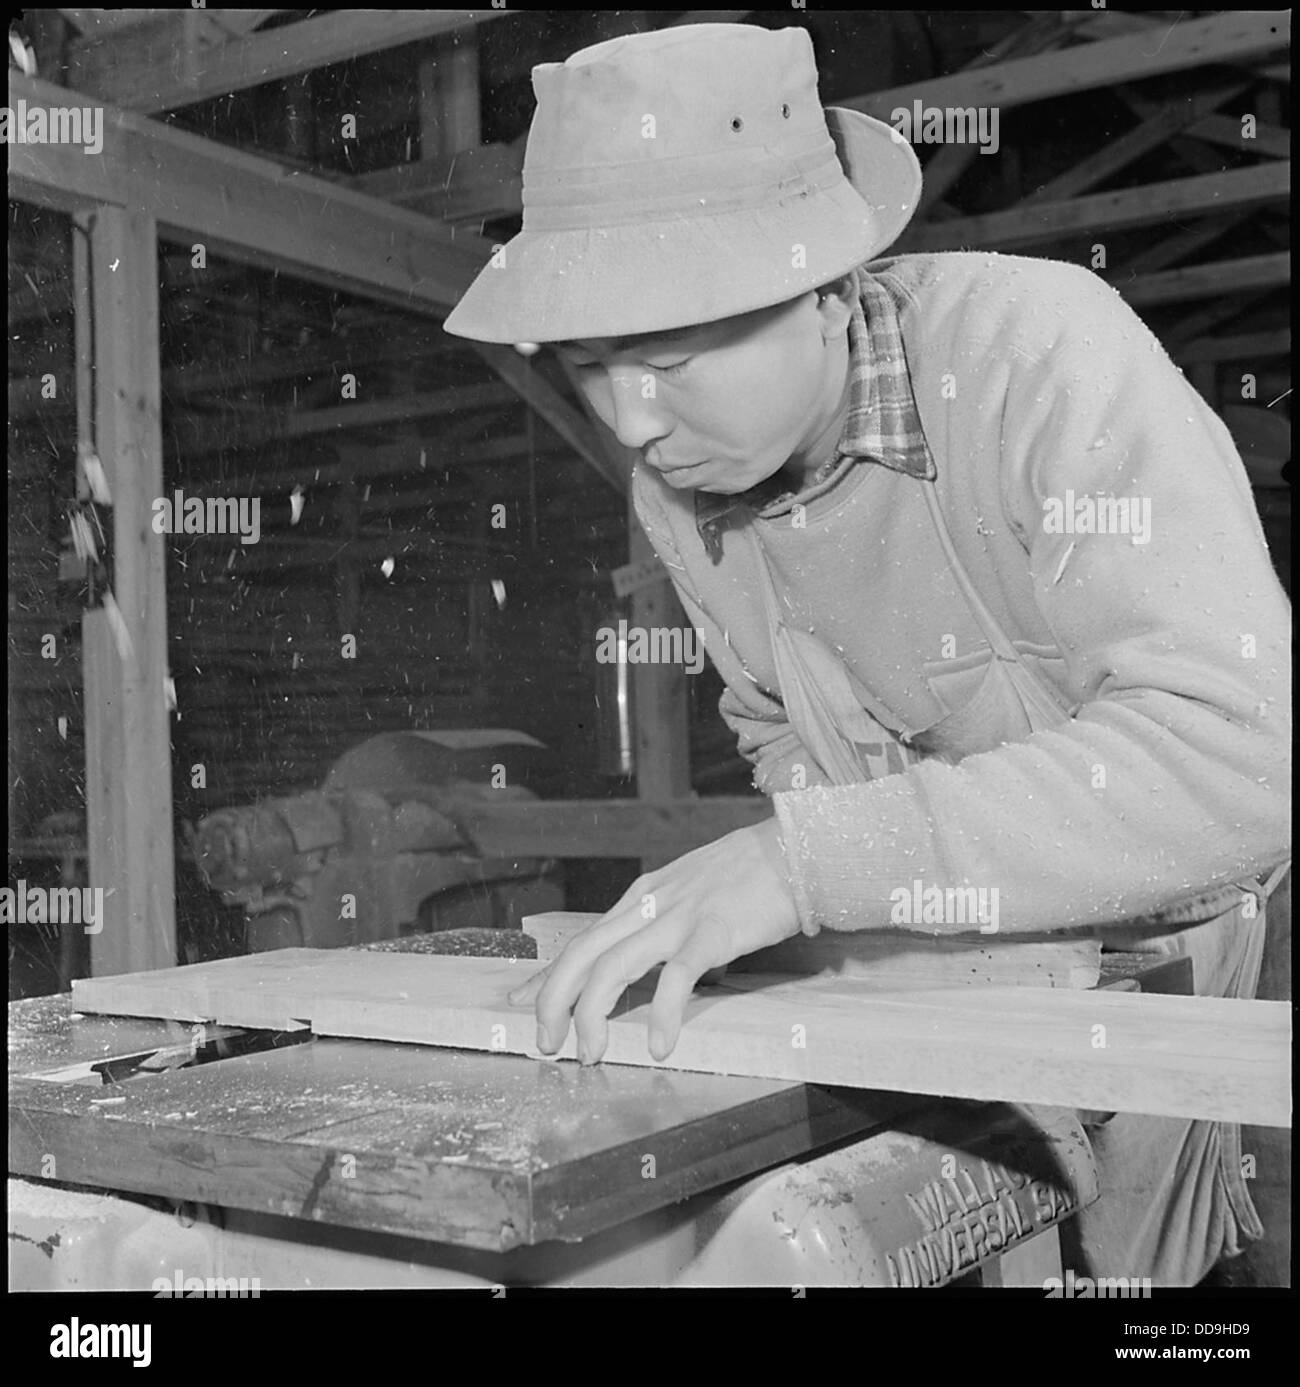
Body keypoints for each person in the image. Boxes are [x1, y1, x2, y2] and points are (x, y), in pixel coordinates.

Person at [443, 22, 1291, 1284]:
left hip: (1152, 962)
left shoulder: (1043, 359)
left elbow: (1247, 763)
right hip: (932, 970)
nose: (632, 421)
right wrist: (850, 914)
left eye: (671, 361)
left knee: (1144, 1282)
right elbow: (775, 722)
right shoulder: (677, 488)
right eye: (590, 368)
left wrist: (804, 868)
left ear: (831, 292)